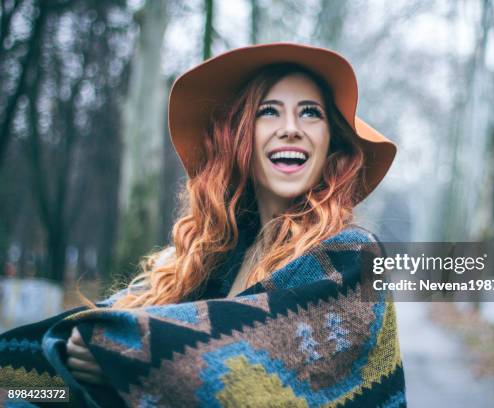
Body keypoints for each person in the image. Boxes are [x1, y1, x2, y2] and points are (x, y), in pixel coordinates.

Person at [0, 43, 406, 407]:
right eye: (269, 111)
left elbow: (251, 364)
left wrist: (124, 355)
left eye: (310, 113)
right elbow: (70, 362)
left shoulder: (353, 257)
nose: (290, 127)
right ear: (239, 138)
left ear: (331, 144)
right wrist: (33, 382)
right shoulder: (200, 263)